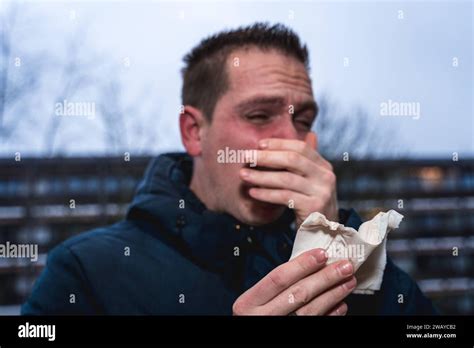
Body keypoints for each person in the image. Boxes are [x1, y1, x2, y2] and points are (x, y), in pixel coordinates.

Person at [22, 23, 436, 315]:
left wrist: (334, 244)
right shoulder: (86, 270)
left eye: (304, 120)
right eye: (259, 115)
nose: (293, 141)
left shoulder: (360, 259)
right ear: (194, 132)